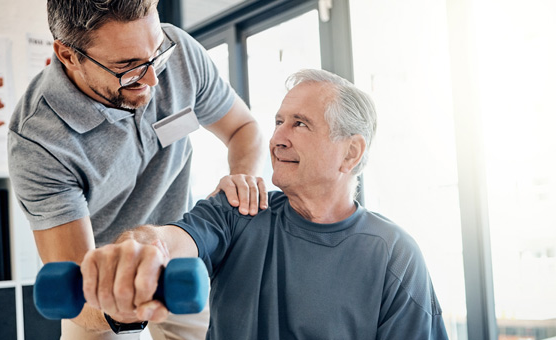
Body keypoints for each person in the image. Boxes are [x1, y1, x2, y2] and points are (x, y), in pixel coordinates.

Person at [79, 69, 450, 339]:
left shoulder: (393, 255)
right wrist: (138, 247)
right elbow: (170, 239)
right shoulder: (239, 209)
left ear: (350, 153)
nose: (276, 139)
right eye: (278, 121)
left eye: (300, 124)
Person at [7, 0, 266, 339]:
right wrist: (124, 307)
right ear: (68, 55)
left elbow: (243, 128)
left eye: (156, 53)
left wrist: (241, 175)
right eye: (127, 66)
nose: (154, 78)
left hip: (182, 256)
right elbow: (76, 285)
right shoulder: (38, 140)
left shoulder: (180, 53)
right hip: (104, 285)